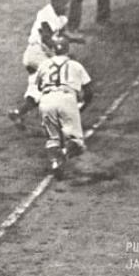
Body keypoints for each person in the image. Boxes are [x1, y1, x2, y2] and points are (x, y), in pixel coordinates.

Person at [7, 0, 75, 126]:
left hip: (39, 55)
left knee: (35, 89)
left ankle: (18, 113)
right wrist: (60, 53)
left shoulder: (61, 17)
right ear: (55, 4)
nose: (66, 8)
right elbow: (46, 38)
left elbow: (61, 33)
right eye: (64, 5)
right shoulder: (46, 14)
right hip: (36, 53)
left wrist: (75, 39)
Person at [35, 35, 93, 179]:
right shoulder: (76, 65)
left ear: (53, 49)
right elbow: (89, 92)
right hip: (67, 99)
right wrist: (82, 105)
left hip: (46, 100)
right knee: (77, 142)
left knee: (52, 138)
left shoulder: (44, 64)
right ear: (67, 49)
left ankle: (55, 162)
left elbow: (39, 86)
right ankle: (64, 153)